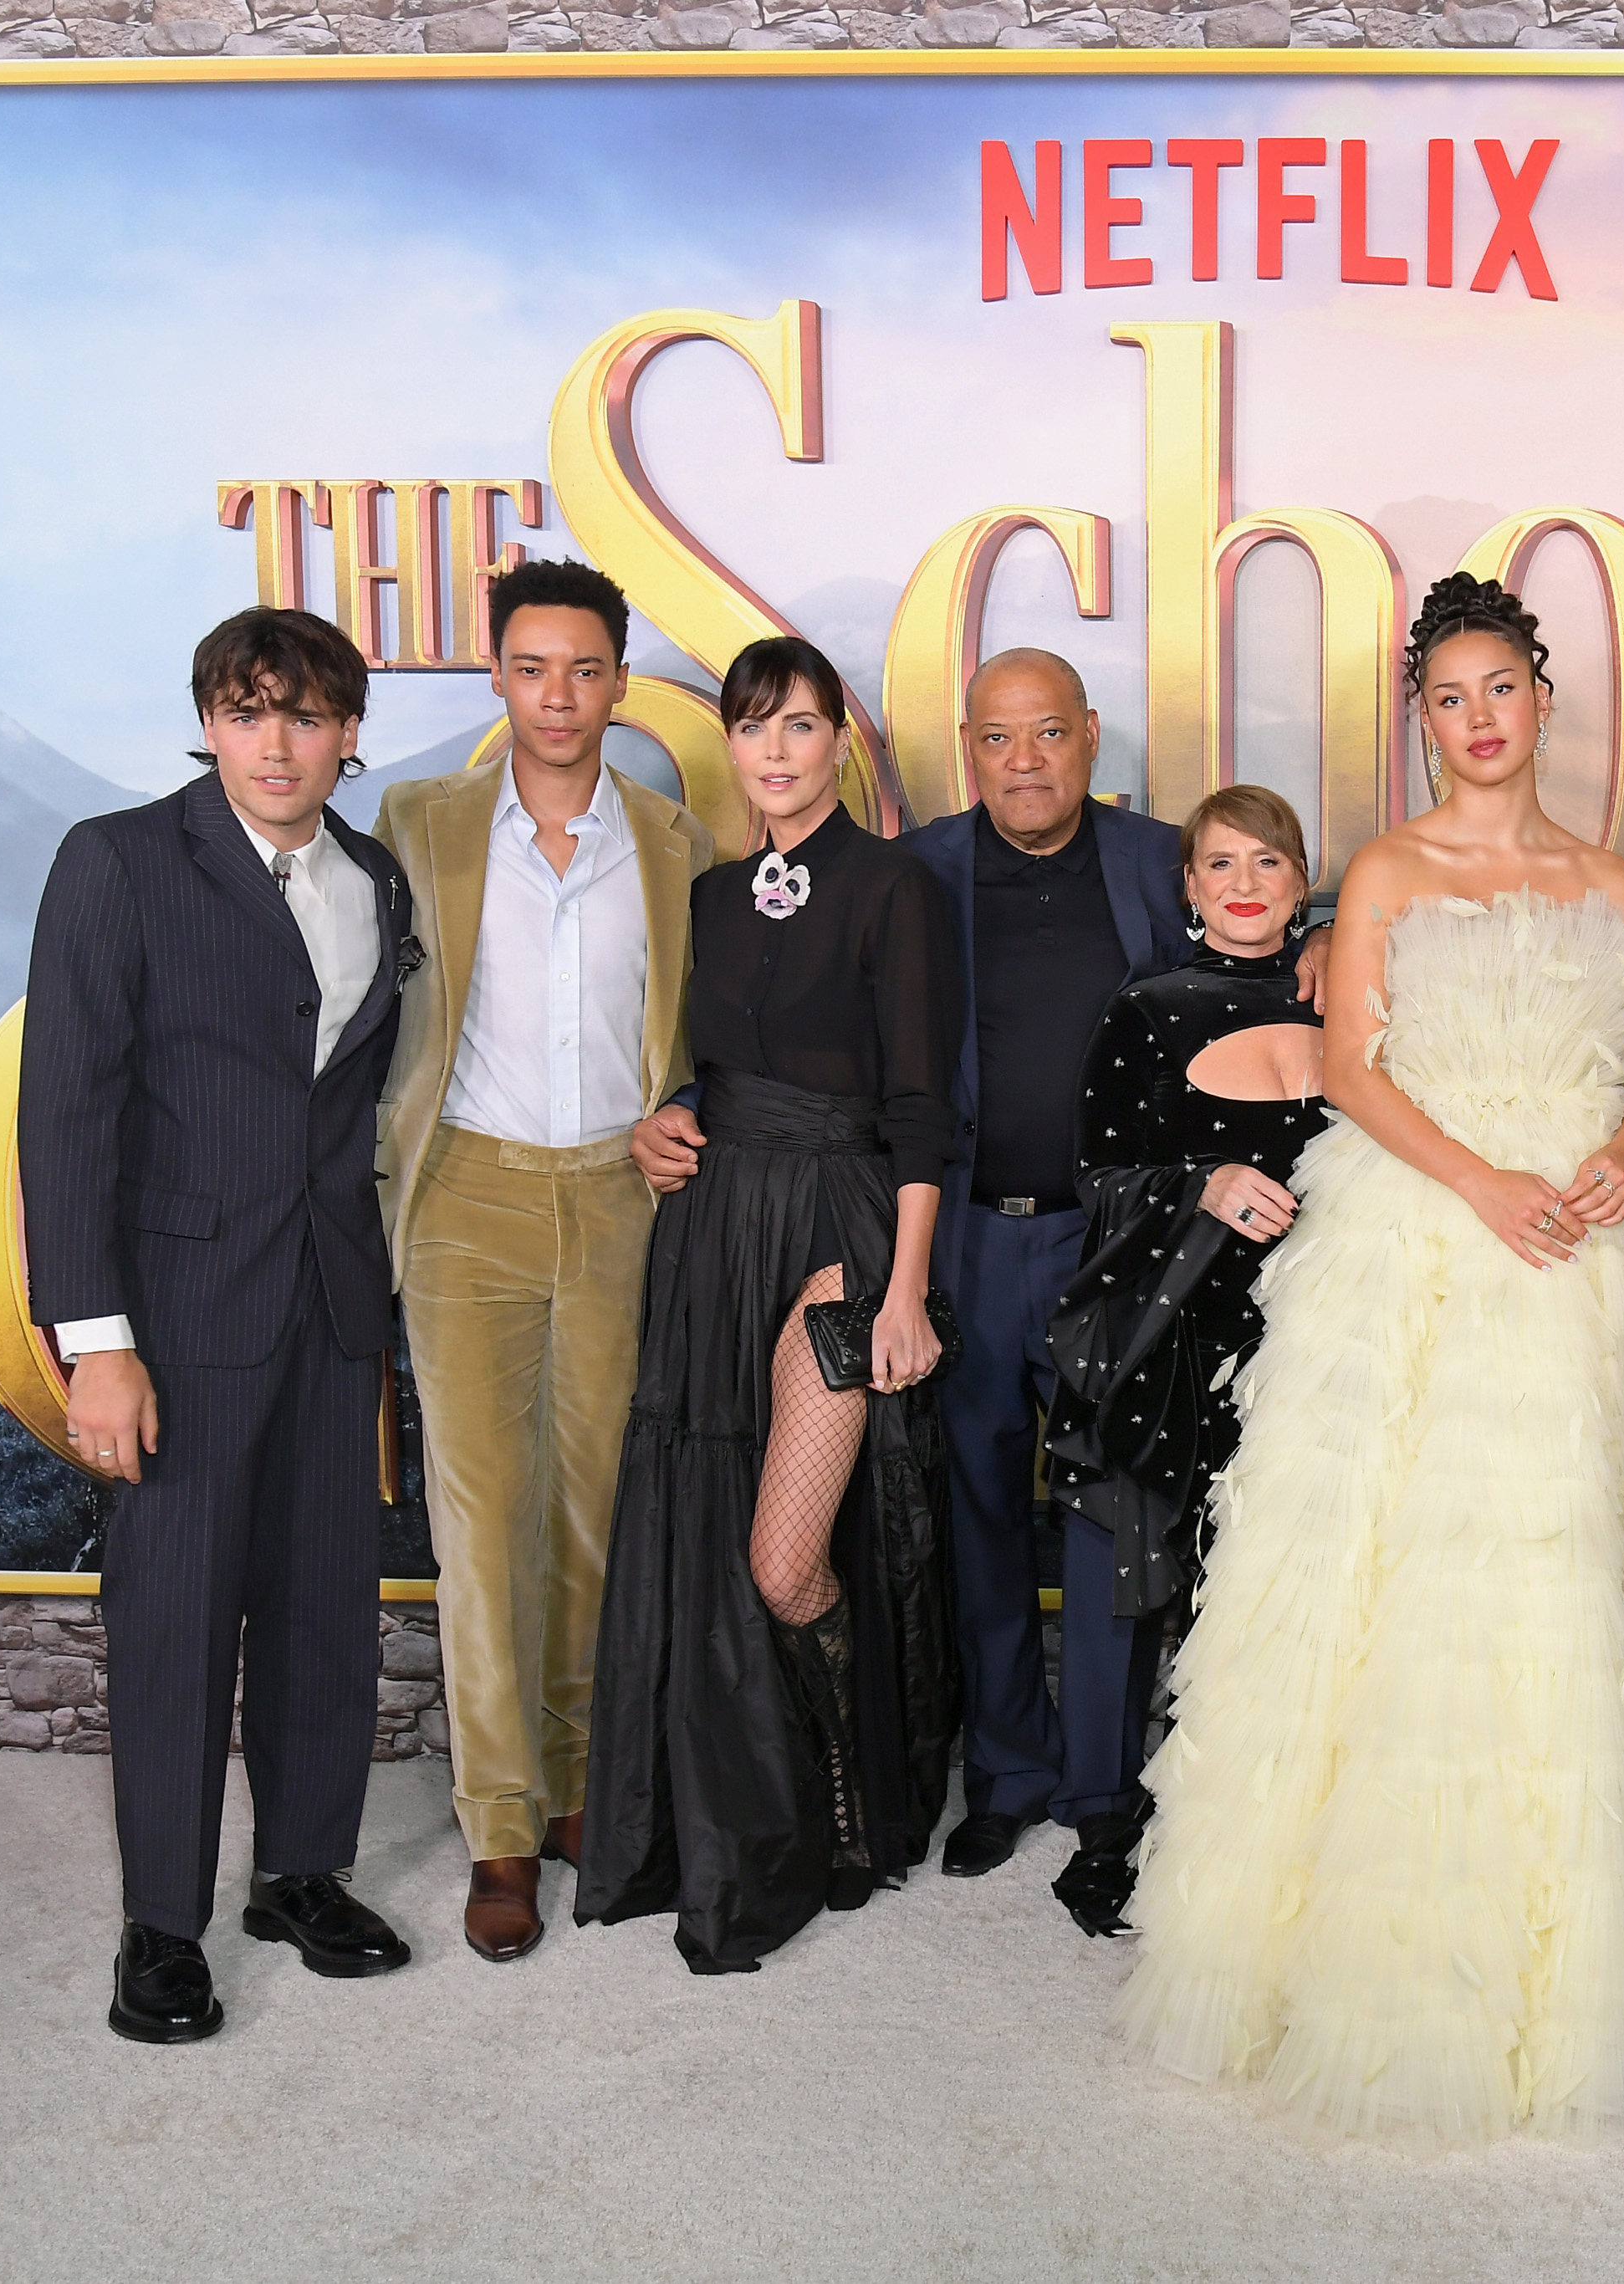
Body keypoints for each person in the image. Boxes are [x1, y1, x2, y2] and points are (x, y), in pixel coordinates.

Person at [1112, 573, 1624, 2146]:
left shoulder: (1613, 885)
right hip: (1418, 1227)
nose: (1478, 719)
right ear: (1421, 720)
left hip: (1567, 1249)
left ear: (1543, 702)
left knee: (1539, 1572)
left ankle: (1537, 1969)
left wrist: (1623, 1147)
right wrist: (1480, 1179)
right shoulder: (1388, 868)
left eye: (1501, 689)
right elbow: (1354, 1072)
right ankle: (1328, 1955)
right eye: (1448, 697)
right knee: (1364, 1570)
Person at [21, 605, 418, 2043]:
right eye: (248, 713)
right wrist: (97, 1341)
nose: (276, 743)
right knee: (175, 1625)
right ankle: (162, 1926)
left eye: (306, 715)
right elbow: (65, 1114)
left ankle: (301, 1872)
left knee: (327, 1610)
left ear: (347, 733)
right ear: (209, 723)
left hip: (330, 1307)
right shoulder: (119, 860)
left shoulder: (375, 877)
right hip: (177, 1319)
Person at [899, 651, 1327, 1913]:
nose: (1023, 759)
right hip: (972, 1235)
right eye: (996, 737)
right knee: (982, 1512)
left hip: (1125, 1250)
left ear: (1090, 736)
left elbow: (1266, 912)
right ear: (967, 747)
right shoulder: (917, 871)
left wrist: (1331, 943)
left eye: (1048, 732)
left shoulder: (1155, 858)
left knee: (1111, 1519)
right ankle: (1006, 1772)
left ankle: (1102, 1789)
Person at [575, 636, 963, 1973]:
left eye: (801, 724)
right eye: (755, 726)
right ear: (731, 745)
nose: (777, 750)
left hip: (838, 1231)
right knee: (703, 1530)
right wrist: (663, 1117)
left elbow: (922, 1103)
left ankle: (854, 1794)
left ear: (838, 742)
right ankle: (742, 1804)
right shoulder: (712, 895)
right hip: (714, 1230)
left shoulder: (894, 886)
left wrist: (906, 1291)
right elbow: (695, 1064)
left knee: (787, 1561)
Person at [372, 558, 716, 1963]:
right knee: (481, 1520)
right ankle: (500, 1825)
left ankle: (579, 1787)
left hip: (620, 1201)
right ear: (498, 678)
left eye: (584, 669)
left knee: (594, 1516)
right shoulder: (420, 822)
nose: (558, 695)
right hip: (468, 1198)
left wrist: (678, 1111)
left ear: (620, 683)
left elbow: (695, 1035)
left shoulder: (676, 845)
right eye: (532, 668)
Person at [1039, 784, 1332, 1938]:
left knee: (1279, 1581)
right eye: (1221, 864)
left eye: (1268, 862)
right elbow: (1097, 1177)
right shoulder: (1146, 1007)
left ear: (1301, 880)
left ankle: (1259, 1819)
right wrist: (1201, 1186)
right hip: (1174, 1333)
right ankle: (1119, 1816)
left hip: (1316, 1336)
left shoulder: (1352, 1002)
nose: (1245, 884)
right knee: (1149, 1576)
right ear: (1190, 888)